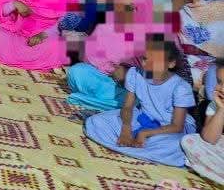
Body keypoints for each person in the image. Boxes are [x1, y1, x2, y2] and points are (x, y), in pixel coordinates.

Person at [84, 38, 196, 167]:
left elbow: (177, 126)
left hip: (168, 129)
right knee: (97, 121)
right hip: (143, 117)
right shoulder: (135, 74)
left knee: (175, 145)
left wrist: (145, 133)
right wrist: (126, 129)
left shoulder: (181, 87)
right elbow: (127, 107)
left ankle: (136, 145)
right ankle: (139, 148)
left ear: (171, 64)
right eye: (145, 59)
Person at [0, 0, 70, 70]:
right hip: (18, 34)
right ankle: (48, 63)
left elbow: (65, 21)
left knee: (60, 44)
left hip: (46, 36)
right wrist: (14, 4)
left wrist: (42, 35)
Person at [181, 58, 224, 186]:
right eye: (219, 82)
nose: (221, 88)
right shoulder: (214, 105)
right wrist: (221, 109)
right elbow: (209, 139)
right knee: (189, 141)